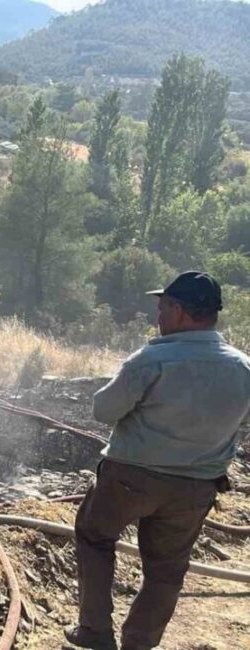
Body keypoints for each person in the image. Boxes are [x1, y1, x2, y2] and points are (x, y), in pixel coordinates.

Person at [66, 271, 250, 650]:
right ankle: (139, 643)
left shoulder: (153, 358)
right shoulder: (243, 368)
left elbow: (104, 410)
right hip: (196, 488)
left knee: (95, 536)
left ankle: (95, 631)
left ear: (179, 311)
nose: (159, 316)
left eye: (163, 307)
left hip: (131, 478)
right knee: (167, 570)